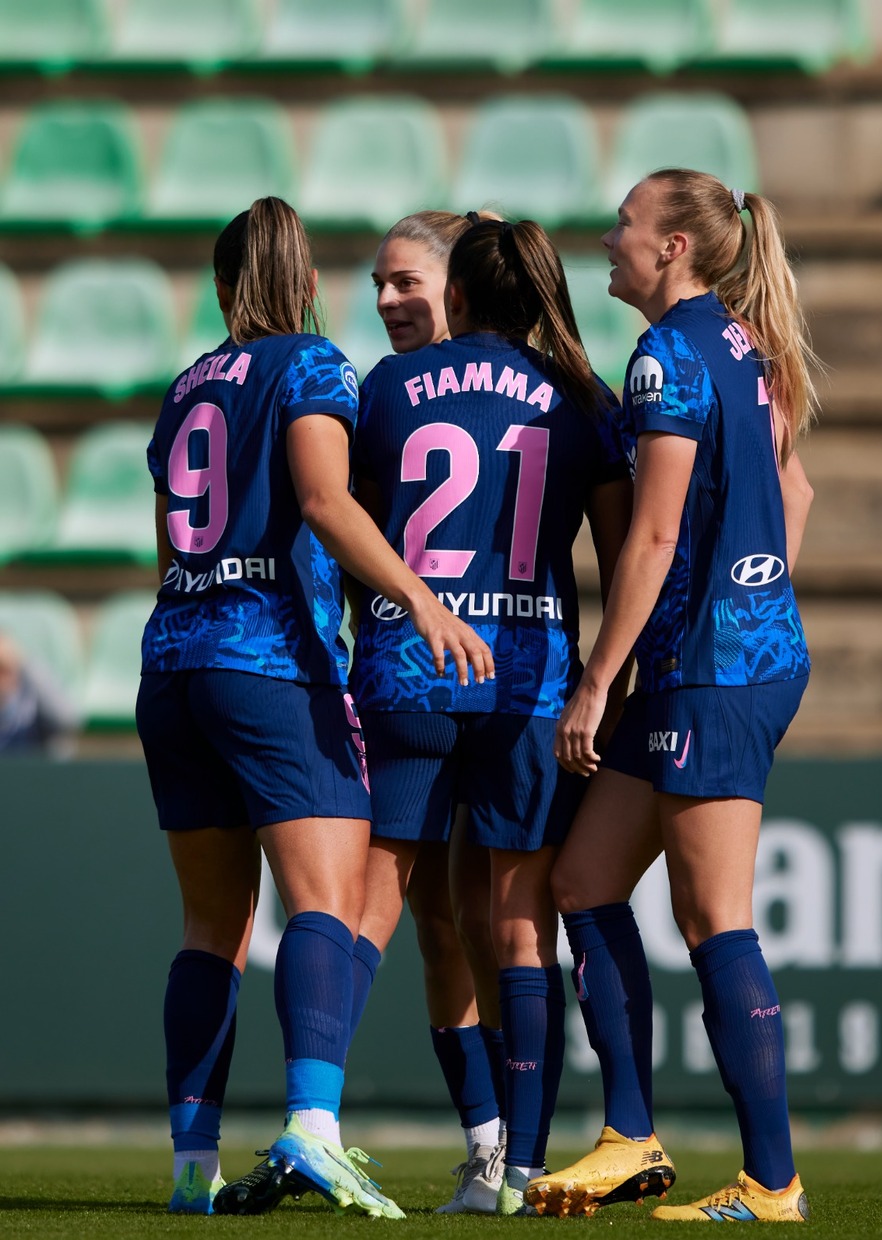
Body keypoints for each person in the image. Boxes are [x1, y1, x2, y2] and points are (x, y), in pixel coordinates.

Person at [135, 196, 492, 1218]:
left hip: (171, 664)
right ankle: (314, 1127)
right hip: (271, 663)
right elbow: (327, 503)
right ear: (303, 284)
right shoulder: (313, 365)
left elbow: (169, 550)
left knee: (209, 922)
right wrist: (418, 598)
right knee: (323, 903)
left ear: (218, 288)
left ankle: (189, 1168)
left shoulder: (182, 388)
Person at [524, 169, 817, 1224]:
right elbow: (793, 491)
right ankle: (629, 1135)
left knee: (713, 917)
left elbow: (648, 537)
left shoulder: (664, 357)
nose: (609, 238)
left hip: (707, 673)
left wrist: (595, 683)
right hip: (728, 657)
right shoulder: (745, 345)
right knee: (584, 880)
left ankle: (771, 1182)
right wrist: (759, 597)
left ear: (673, 249)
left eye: (626, 224)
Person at [350, 214, 631, 1216]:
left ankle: (316, 1116)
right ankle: (517, 1165)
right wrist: (606, 678)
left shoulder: (384, 388)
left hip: (410, 670)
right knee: (518, 929)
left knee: (385, 912)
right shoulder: (582, 399)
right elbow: (615, 551)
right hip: (530, 682)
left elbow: (365, 532)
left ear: (455, 296)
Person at [354, 210, 507, 1215]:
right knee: (443, 924)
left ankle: (515, 1145)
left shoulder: (403, 389)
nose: (384, 300)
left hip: (466, 684)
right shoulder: (385, 391)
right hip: (451, 677)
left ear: (458, 283)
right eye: (376, 283)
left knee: (483, 922)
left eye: (405, 280)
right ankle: (492, 1146)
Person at [0, 630, 78, 757]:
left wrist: (26, 664)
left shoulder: (31, 701)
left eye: (4, 670)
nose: (2, 679)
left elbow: (68, 719)